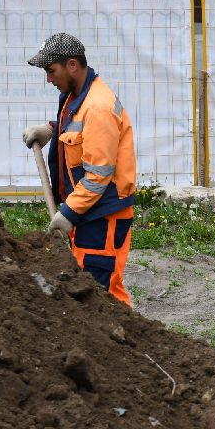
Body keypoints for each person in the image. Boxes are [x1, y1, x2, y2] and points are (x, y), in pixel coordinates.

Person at [21, 32, 137, 307]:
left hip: (102, 215)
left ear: (72, 65)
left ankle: (125, 344)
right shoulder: (76, 96)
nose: (49, 78)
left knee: (102, 292)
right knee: (89, 286)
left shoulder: (98, 107)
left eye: (51, 70)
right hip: (88, 211)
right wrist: (51, 130)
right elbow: (80, 132)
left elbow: (98, 176)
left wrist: (68, 213)